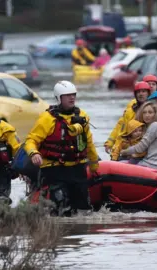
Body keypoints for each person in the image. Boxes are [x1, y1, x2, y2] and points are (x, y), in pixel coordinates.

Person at [24, 80, 99, 216]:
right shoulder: (47, 119)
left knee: (83, 209)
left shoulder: (82, 116)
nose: (72, 98)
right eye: (67, 95)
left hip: (77, 168)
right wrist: (34, 153)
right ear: (59, 98)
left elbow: (88, 142)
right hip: (54, 169)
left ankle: (80, 234)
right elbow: (31, 140)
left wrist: (94, 166)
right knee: (61, 207)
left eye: (73, 95)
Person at [104, 74, 157, 153]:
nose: (151, 86)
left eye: (153, 84)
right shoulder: (132, 107)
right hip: (132, 145)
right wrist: (110, 142)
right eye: (148, 84)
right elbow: (121, 126)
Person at [120, 101, 157, 171]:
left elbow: (140, 147)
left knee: (121, 164)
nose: (147, 115)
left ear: (155, 114)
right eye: (144, 112)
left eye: (150, 112)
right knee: (124, 162)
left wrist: (124, 152)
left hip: (155, 165)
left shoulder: (155, 126)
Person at [108, 82, 152, 155]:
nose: (141, 94)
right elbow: (121, 132)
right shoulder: (129, 111)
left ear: (148, 93)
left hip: (145, 150)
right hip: (130, 148)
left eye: (143, 91)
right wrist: (111, 144)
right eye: (138, 92)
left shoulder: (153, 110)